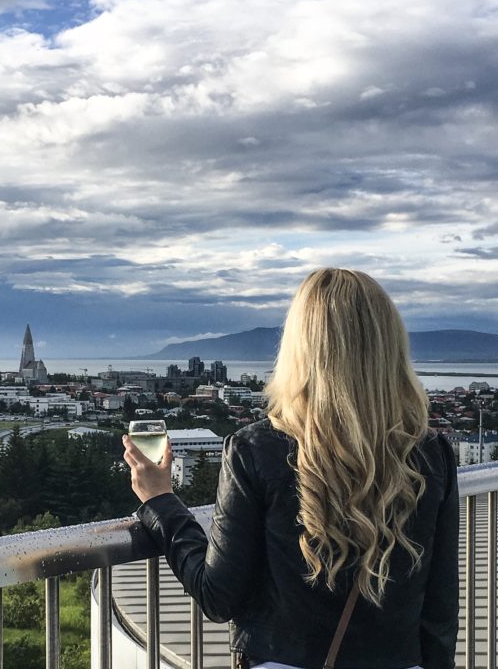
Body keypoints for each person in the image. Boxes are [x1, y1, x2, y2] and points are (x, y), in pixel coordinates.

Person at [124, 268, 459, 669]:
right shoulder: (430, 454)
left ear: (299, 348)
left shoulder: (256, 450)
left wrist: (161, 502)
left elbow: (219, 596)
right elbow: (440, 609)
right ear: (390, 346)